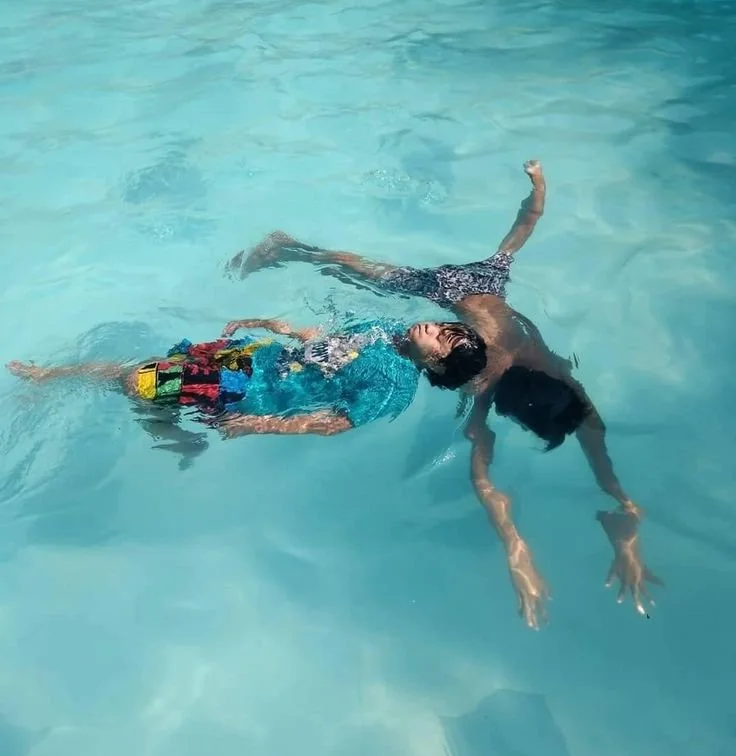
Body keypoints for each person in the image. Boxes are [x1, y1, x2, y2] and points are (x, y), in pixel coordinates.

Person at [227, 161, 661, 628]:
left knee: (368, 271)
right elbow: (486, 482)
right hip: (448, 293)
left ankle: (293, 248)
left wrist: (625, 523)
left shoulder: (556, 376)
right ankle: (290, 247)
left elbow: (580, 436)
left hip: (486, 284)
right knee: (362, 274)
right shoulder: (486, 383)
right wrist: (520, 555)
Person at [7, 316, 487, 451]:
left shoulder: (395, 385)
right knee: (152, 370)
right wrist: (280, 327)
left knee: (137, 379)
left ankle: (47, 379)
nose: (435, 328)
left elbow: (337, 424)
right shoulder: (386, 328)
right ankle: (171, 432)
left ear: (439, 368)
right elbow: (327, 340)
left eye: (445, 340)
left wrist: (260, 424)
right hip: (257, 359)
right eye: (444, 325)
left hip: (249, 391)